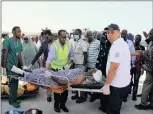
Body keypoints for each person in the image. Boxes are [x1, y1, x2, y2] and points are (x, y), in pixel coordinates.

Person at [102, 24, 130, 114]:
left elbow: (114, 68)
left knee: (112, 110)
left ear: (119, 33)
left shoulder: (117, 46)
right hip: (121, 83)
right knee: (116, 107)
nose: (109, 35)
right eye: (107, 33)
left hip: (116, 85)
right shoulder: (121, 44)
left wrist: (107, 85)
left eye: (112, 32)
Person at [45, 29, 74, 113]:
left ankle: (63, 105)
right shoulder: (54, 46)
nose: (65, 39)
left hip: (65, 70)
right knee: (57, 90)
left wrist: (68, 64)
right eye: (63, 37)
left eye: (66, 37)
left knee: (65, 89)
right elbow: (49, 59)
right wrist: (46, 70)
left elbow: (72, 56)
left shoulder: (69, 43)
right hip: (55, 70)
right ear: (58, 37)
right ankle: (56, 105)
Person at [28, 30, 54, 102]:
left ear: (50, 35)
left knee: (57, 80)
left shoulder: (56, 42)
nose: (45, 39)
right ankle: (49, 95)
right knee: (49, 80)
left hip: (57, 65)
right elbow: (38, 53)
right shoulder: (43, 43)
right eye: (44, 37)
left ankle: (57, 94)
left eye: (47, 37)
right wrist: (32, 63)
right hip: (48, 65)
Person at [1, 26, 24, 108]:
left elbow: (19, 55)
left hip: (16, 66)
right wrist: (3, 67)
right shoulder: (8, 41)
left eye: (20, 31)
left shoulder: (19, 42)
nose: (20, 33)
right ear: (13, 32)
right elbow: (5, 54)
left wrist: (23, 65)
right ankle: (13, 101)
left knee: (15, 83)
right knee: (13, 83)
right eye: (18, 31)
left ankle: (12, 100)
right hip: (10, 65)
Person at [135, 28, 153, 110]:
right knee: (150, 87)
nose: (149, 35)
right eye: (149, 34)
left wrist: (143, 56)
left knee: (146, 85)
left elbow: (150, 59)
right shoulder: (151, 43)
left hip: (151, 69)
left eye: (151, 34)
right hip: (149, 68)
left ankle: (144, 104)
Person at [71, 29, 88, 102]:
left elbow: (85, 54)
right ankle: (77, 95)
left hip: (81, 64)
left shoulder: (83, 42)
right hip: (76, 64)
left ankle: (83, 97)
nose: (75, 35)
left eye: (77, 34)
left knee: (81, 81)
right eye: (74, 34)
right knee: (77, 80)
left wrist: (84, 64)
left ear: (80, 34)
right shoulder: (76, 42)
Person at [121, 29, 136, 102]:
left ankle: (125, 95)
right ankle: (120, 94)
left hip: (127, 65)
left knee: (127, 81)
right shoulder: (118, 42)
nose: (123, 35)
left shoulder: (130, 43)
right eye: (122, 33)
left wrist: (133, 64)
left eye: (124, 34)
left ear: (126, 35)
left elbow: (133, 54)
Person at [132, 34, 145, 101]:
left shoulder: (142, 47)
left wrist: (142, 67)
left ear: (140, 40)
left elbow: (143, 58)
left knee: (136, 81)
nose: (136, 40)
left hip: (138, 67)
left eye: (138, 39)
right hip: (131, 66)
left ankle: (134, 95)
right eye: (136, 38)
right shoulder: (131, 46)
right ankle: (125, 94)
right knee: (128, 81)